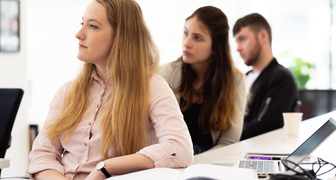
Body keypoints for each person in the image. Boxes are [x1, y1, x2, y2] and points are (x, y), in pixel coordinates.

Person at [26, 0, 193, 179]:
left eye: (92, 26)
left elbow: (180, 149)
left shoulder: (152, 87)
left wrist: (105, 168)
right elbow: (42, 155)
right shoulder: (67, 91)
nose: (79, 34)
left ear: (121, 36)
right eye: (82, 24)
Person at [160, 6, 246, 155]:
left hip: (211, 158)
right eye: (185, 33)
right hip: (171, 157)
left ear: (216, 47)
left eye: (197, 38)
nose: (186, 43)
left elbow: (228, 142)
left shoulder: (236, 80)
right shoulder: (164, 74)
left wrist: (201, 164)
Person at [233, 13, 298, 140]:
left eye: (242, 39)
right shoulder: (243, 78)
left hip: (254, 150)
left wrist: (225, 134)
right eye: (236, 42)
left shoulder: (281, 78)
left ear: (262, 36)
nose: (238, 48)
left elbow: (265, 125)